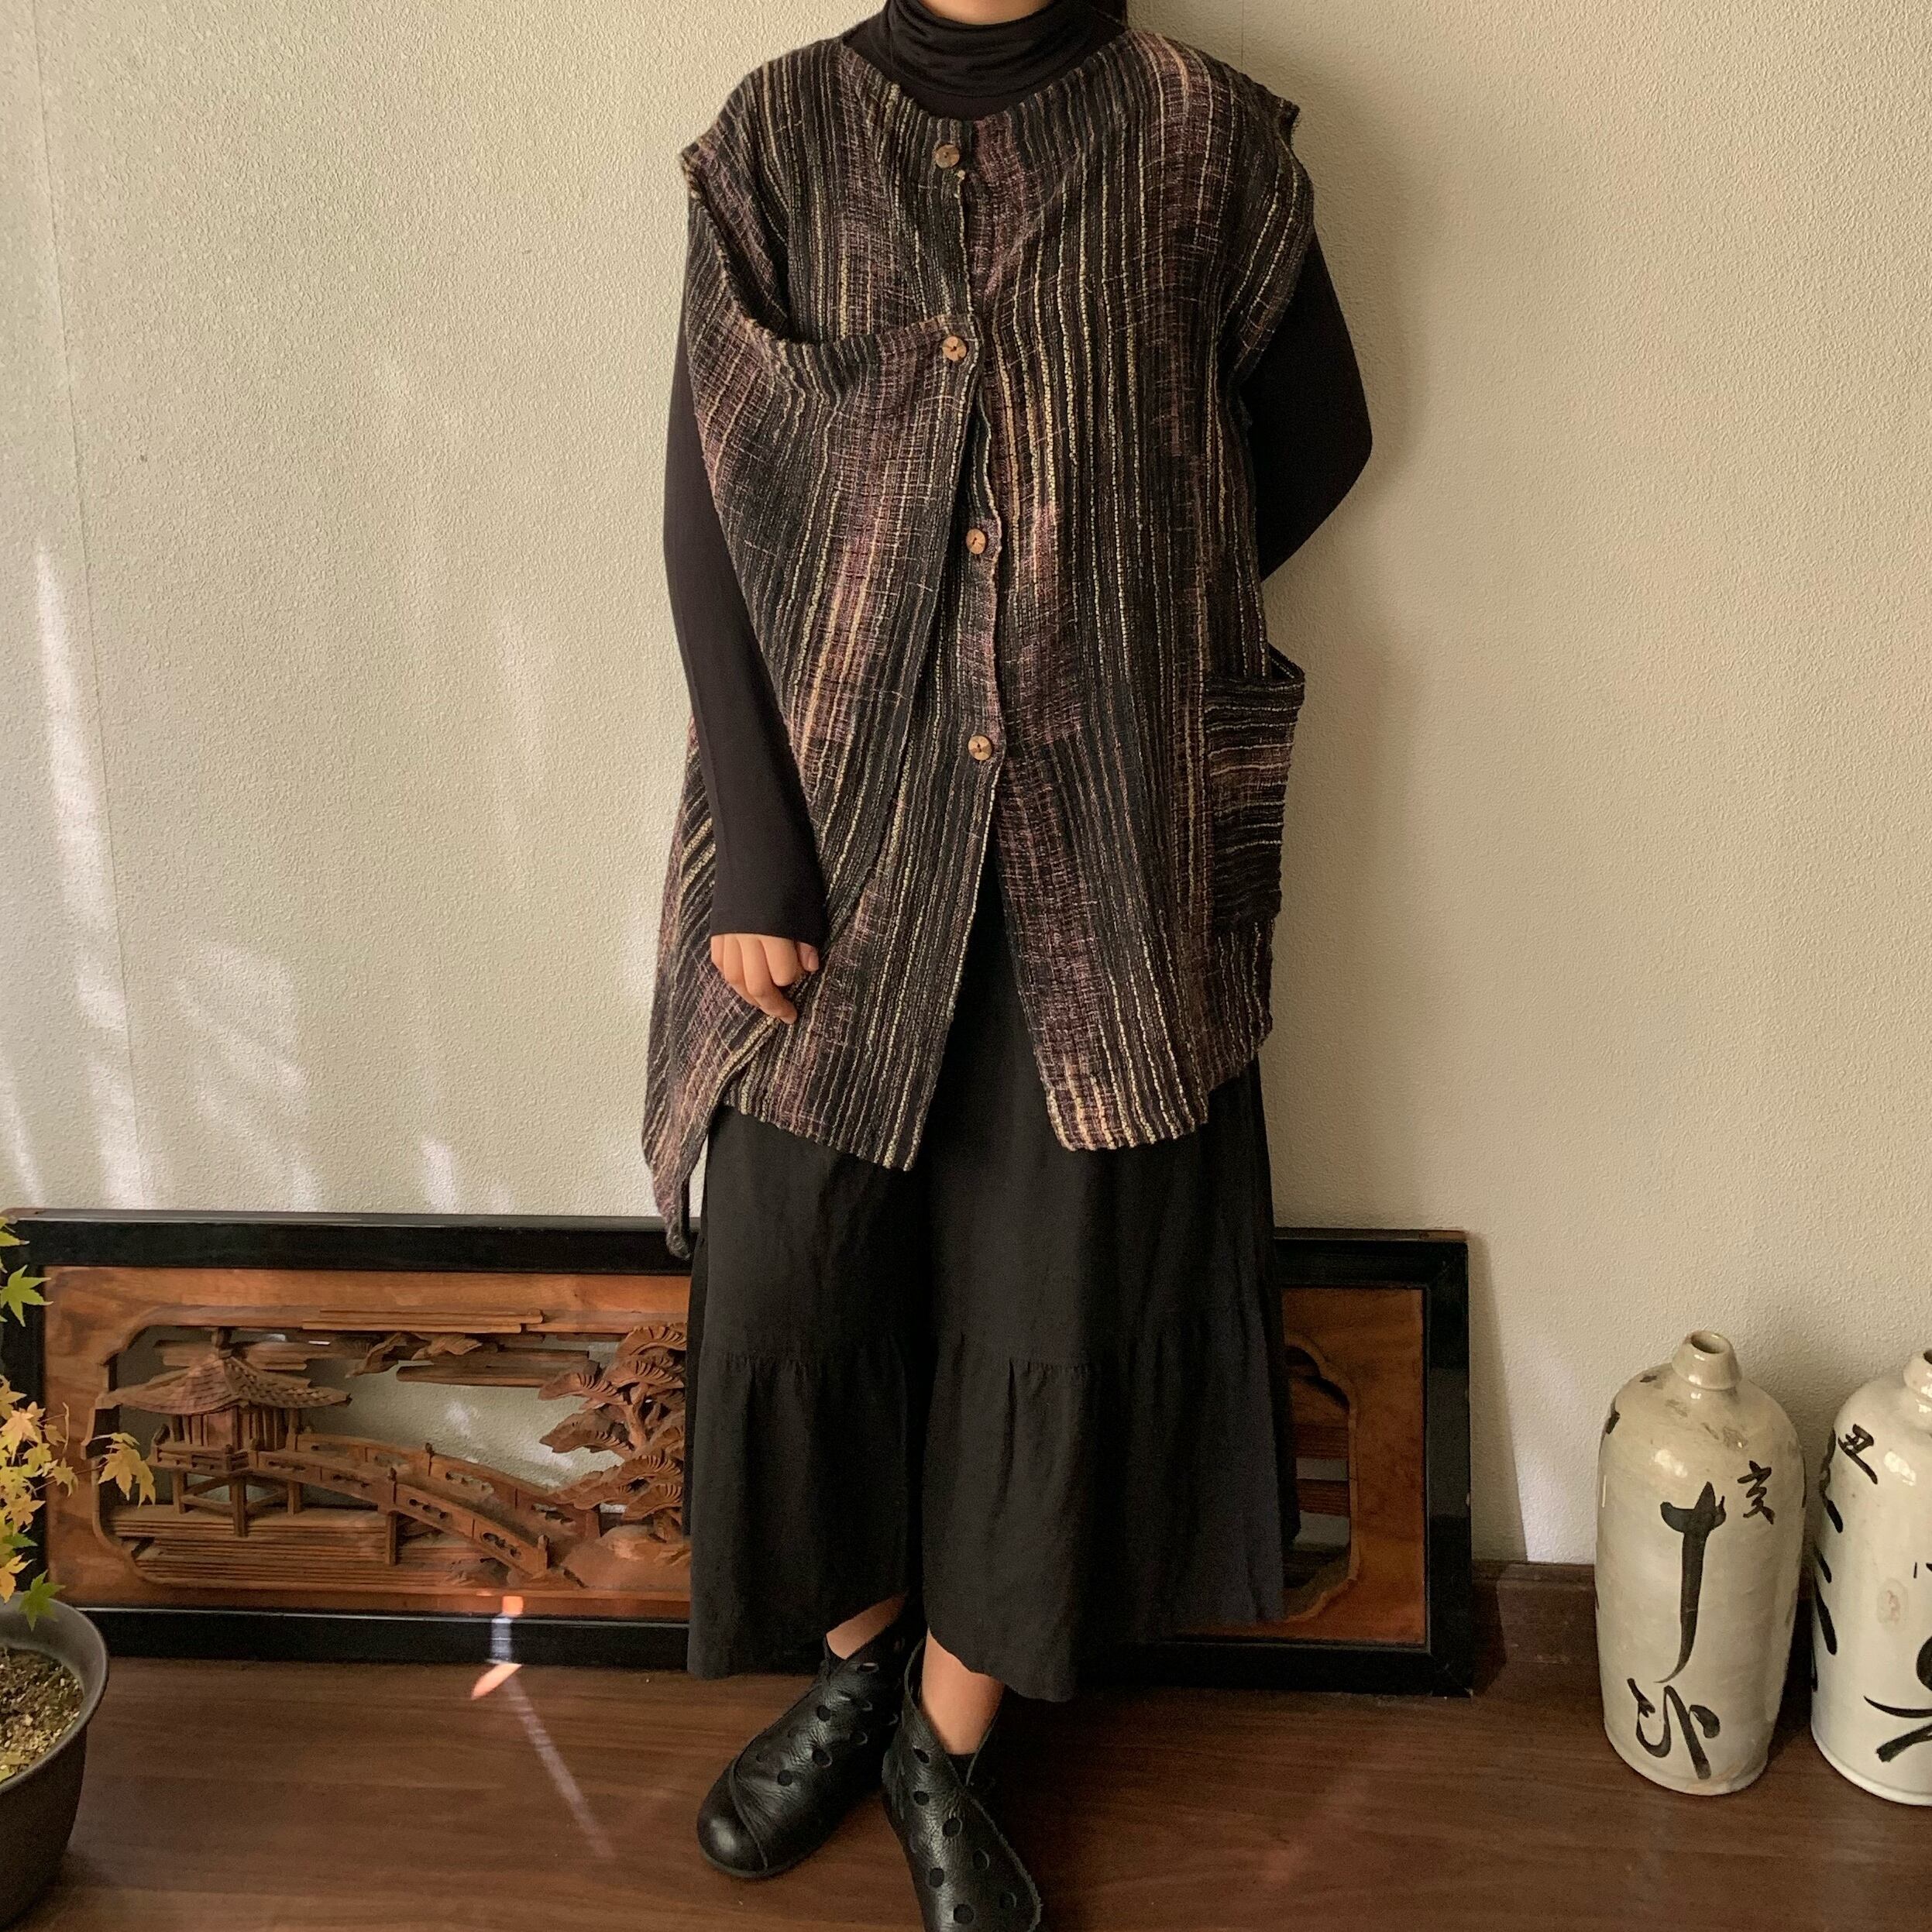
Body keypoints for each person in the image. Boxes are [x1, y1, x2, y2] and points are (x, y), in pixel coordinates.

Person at [644, 2, 1371, 1924]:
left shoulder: (1197, 139)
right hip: (828, 848)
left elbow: (1318, 434)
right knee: (799, 1269)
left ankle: (940, 1737)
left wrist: (1116, 604)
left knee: (1054, 1288)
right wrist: (759, 847)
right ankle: (855, 1661)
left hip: (1099, 847)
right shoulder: (777, 139)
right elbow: (709, 510)